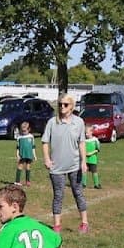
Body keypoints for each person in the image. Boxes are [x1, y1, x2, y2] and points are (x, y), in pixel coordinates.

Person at [42, 95, 88, 233]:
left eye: (66, 104)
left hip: (74, 165)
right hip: (57, 167)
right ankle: (56, 226)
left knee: (78, 193)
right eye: (60, 104)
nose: (62, 107)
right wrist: (47, 159)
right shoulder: (52, 122)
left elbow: (81, 143)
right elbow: (45, 142)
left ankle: (84, 222)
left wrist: (83, 161)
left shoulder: (79, 122)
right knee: (58, 195)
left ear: (72, 106)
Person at [15, 120, 35, 186]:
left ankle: (27, 181)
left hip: (29, 154)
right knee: (20, 166)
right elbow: (18, 147)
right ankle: (17, 181)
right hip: (22, 154)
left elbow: (33, 147)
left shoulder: (31, 137)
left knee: (28, 166)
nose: (23, 132)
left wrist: (34, 155)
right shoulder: (19, 137)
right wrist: (17, 154)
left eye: (25, 130)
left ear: (29, 129)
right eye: (22, 130)